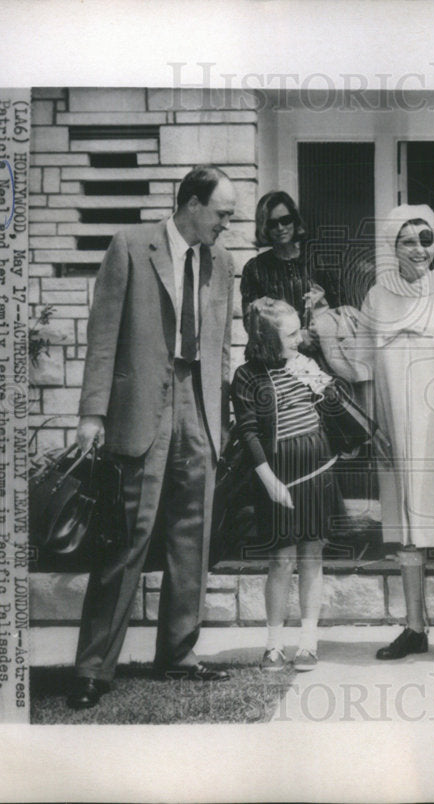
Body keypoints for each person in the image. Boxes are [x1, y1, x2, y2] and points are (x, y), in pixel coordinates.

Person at [68, 165, 236, 709]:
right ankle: (94, 669)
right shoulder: (130, 246)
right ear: (191, 204)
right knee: (126, 538)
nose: (226, 225)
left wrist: (221, 418)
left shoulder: (223, 263)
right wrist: (93, 413)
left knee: (194, 540)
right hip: (142, 407)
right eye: (221, 213)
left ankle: (179, 656)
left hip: (201, 409)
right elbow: (102, 336)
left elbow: (221, 347)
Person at [359, 204, 434, 669]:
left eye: (426, 238)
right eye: (408, 240)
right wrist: (373, 426)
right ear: (392, 244)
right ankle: (414, 627)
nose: (418, 249)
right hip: (395, 425)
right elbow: (367, 370)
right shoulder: (376, 297)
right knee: (407, 530)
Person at [232, 298, 345, 672]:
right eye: (292, 332)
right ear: (266, 338)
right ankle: (273, 645)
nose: (301, 337)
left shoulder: (305, 363)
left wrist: (323, 386)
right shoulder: (247, 376)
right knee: (281, 561)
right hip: (278, 477)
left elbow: (333, 409)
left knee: (312, 556)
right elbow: (248, 432)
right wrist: (268, 480)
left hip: (317, 471)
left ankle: (308, 643)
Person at [240, 191, 326, 354]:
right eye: (272, 224)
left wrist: (316, 332)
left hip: (316, 356)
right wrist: (295, 336)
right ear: (264, 227)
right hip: (274, 358)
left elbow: (335, 310)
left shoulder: (315, 262)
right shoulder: (256, 268)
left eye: (285, 220)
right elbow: (251, 322)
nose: (280, 228)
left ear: (294, 220)